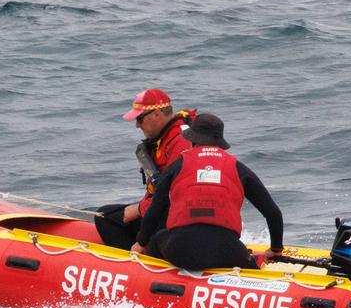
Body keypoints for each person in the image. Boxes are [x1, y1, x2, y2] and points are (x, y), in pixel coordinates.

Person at [131, 113, 283, 271]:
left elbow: (155, 210)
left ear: (192, 140)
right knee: (245, 260)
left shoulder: (177, 166)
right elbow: (273, 213)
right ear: (219, 143)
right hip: (226, 252)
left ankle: (153, 278)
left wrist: (141, 243)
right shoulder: (238, 168)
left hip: (180, 250)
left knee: (157, 238)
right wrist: (276, 249)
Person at [93, 88, 196, 249]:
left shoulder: (182, 140)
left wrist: (139, 209)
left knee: (113, 219)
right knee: (105, 217)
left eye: (140, 119)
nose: (137, 125)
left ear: (157, 114)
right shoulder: (161, 138)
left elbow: (176, 194)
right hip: (161, 209)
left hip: (180, 216)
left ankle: (142, 263)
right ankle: (135, 261)